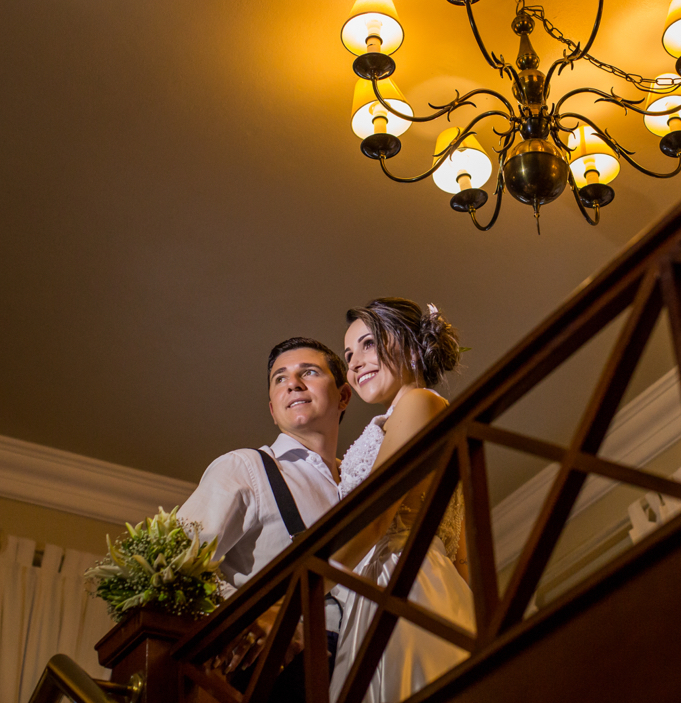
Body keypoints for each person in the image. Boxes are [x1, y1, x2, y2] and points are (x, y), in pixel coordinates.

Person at [177, 336, 351, 699]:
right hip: (286, 675)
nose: (293, 383)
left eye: (309, 372)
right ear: (273, 409)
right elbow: (175, 562)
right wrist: (247, 614)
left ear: (344, 395)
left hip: (369, 666)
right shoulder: (245, 467)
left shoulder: (360, 483)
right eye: (280, 378)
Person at [330, 298, 474, 702]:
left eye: (368, 344)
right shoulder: (395, 420)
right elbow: (462, 554)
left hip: (404, 579)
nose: (354, 363)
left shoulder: (420, 402)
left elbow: (375, 515)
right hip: (388, 583)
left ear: (411, 344)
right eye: (348, 355)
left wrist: (307, 587)